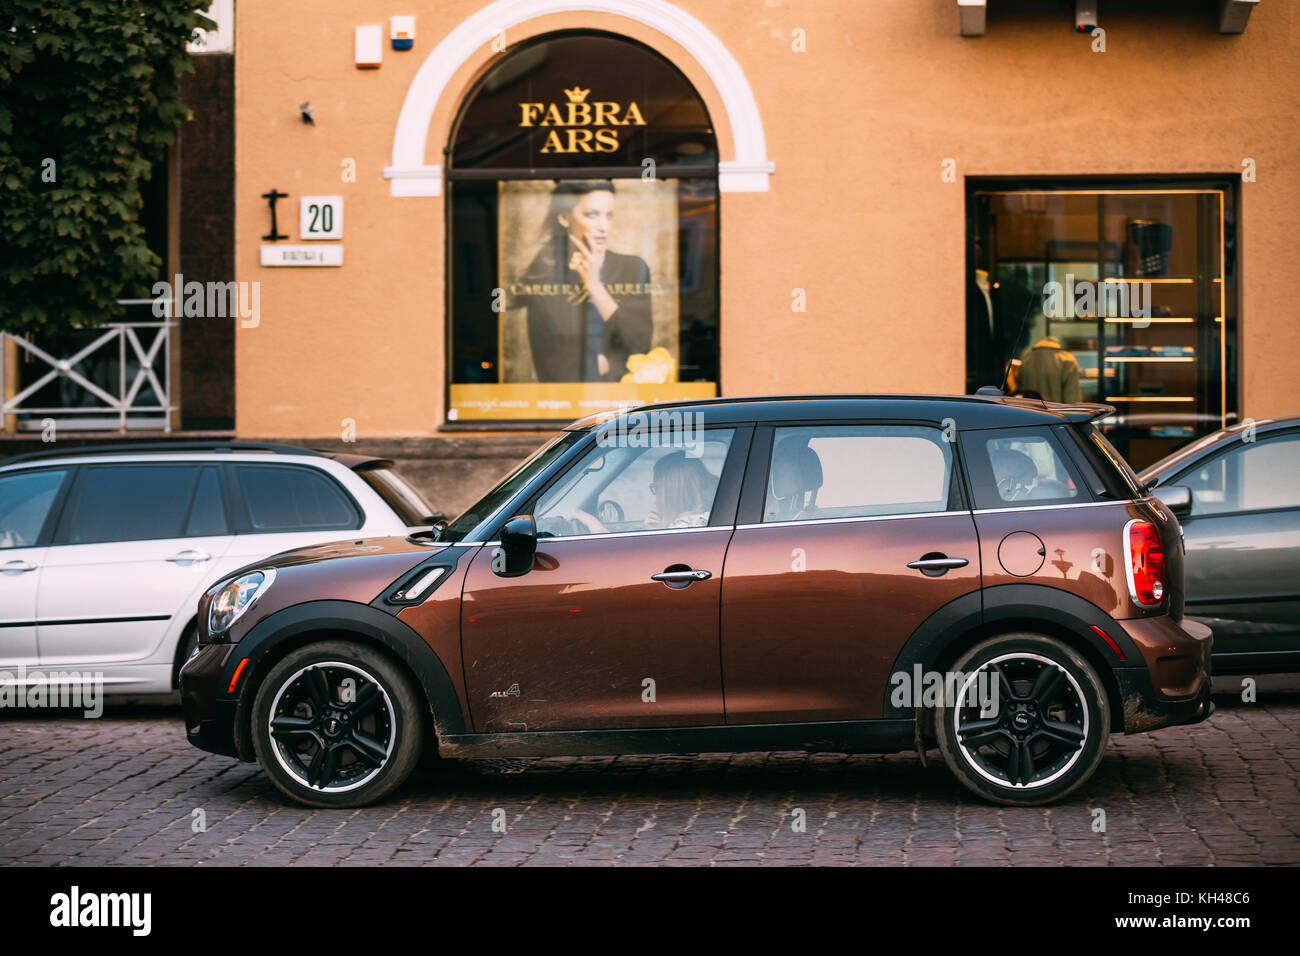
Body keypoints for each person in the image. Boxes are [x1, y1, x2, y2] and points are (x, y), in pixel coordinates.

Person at [513, 181, 653, 383]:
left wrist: (595, 287)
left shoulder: (633, 268)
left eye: (609, 216)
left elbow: (640, 345)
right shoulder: (543, 276)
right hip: (564, 401)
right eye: (592, 215)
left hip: (627, 398)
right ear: (564, 218)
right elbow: (553, 362)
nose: (603, 227)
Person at [645, 451, 715, 529]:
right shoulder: (708, 517)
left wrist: (656, 530)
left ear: (672, 493)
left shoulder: (682, 527)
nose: (657, 498)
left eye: (658, 489)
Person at [1016, 336, 1082, 403]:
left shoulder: (1025, 359)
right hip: (1056, 412)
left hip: (1030, 412)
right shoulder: (1067, 359)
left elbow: (1020, 393)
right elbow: (1072, 396)